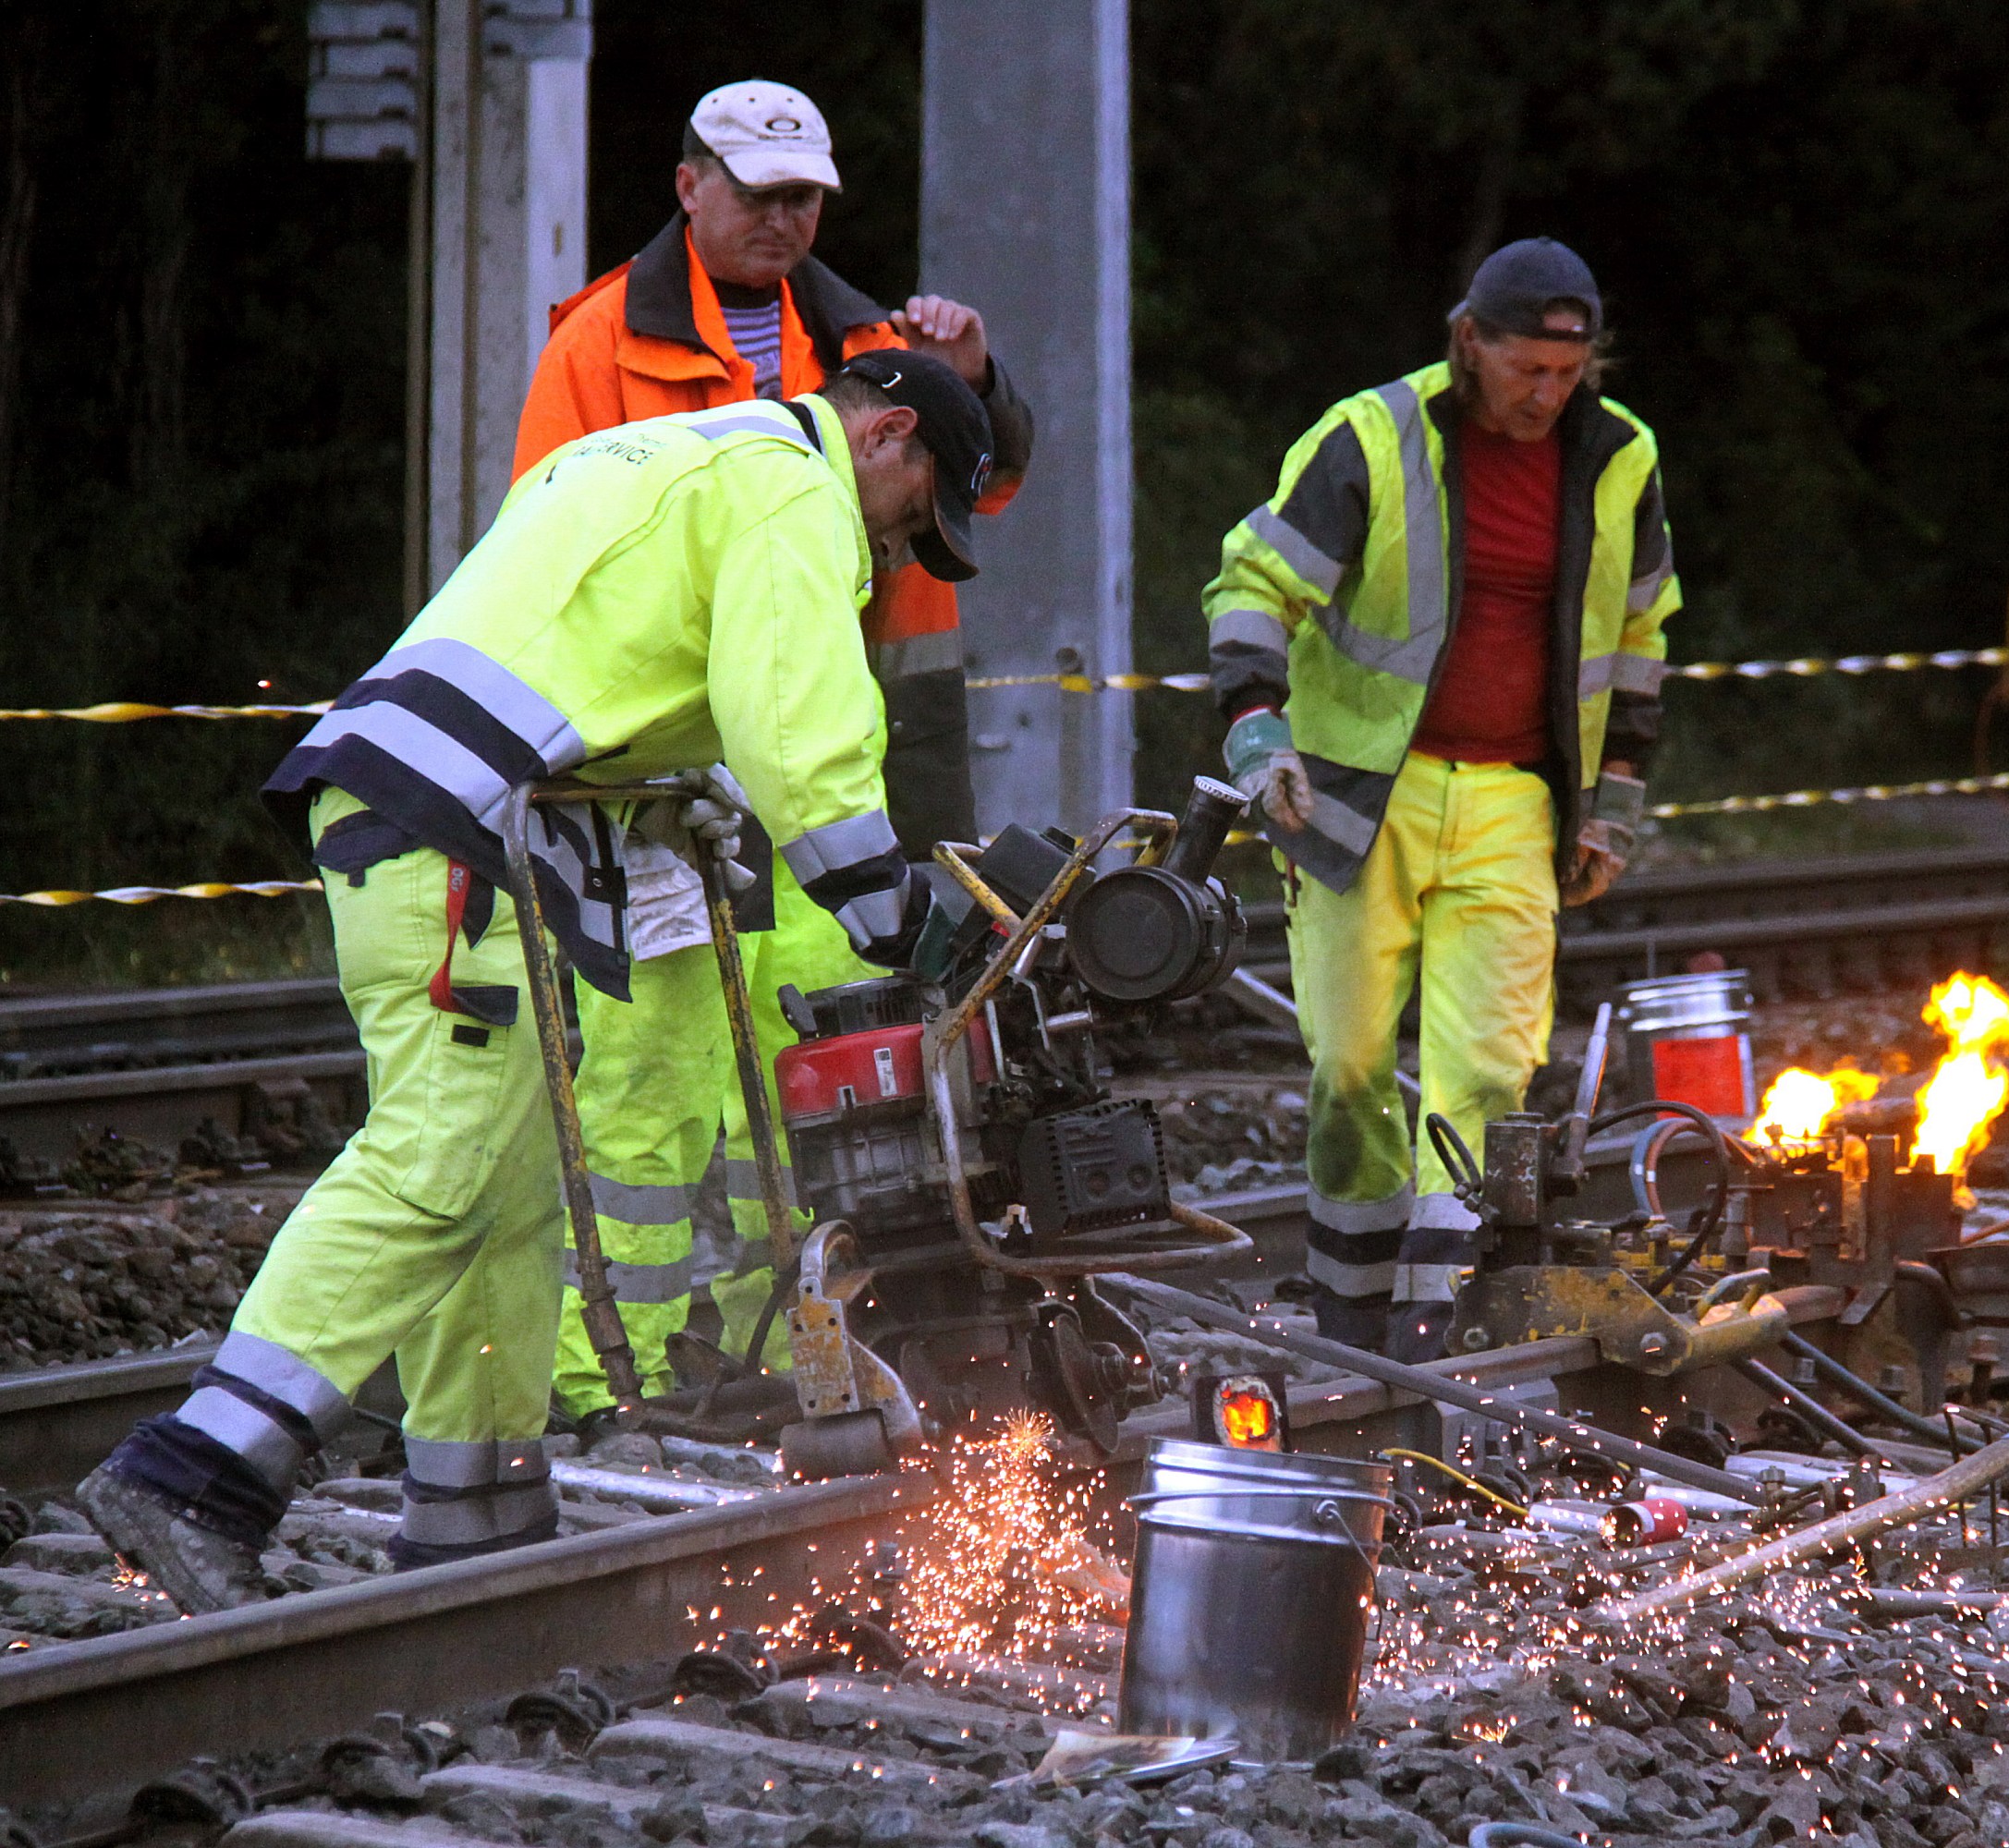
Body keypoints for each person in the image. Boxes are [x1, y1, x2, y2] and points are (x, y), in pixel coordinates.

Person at [76, 348, 995, 1611]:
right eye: (916, 514)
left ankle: (475, 1510)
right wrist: (893, 910)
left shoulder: (667, 455)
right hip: (456, 832)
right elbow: (802, 725)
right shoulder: (794, 490)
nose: (901, 550)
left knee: (505, 1187)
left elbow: (592, 652)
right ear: (888, 436)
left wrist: (687, 796)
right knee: (439, 1157)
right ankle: (192, 1471)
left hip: (431, 815)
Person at [513, 80, 1032, 1417]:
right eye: (756, 191)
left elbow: (984, 485)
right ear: (687, 185)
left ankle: (767, 1351)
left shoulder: (876, 344)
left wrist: (978, 386)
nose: (783, 218)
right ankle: (592, 1379)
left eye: (805, 196)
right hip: (664, 770)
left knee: (810, 1076)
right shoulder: (598, 347)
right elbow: (547, 544)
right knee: (654, 1074)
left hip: (824, 766)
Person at [1201, 237, 1678, 1359]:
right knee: (1354, 1065)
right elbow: (1250, 581)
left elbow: (1641, 635)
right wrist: (1257, 726)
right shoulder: (1373, 438)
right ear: (1470, 343)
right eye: (1526, 371)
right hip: (1359, 795)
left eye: (1568, 375)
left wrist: (1611, 800)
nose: (1546, 396)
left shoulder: (1619, 458)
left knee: (1486, 1072)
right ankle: (1348, 1313)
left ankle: (1435, 1325)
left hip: (1516, 800)